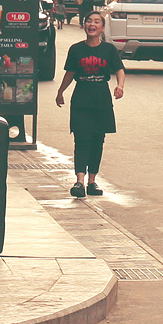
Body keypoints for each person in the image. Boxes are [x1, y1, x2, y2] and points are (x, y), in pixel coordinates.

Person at [55, 10, 126, 198]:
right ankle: (79, 181)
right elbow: (70, 73)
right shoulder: (76, 49)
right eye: (88, 21)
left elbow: (119, 69)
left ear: (102, 28)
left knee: (97, 140)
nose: (91, 24)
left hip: (101, 99)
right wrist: (61, 91)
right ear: (84, 25)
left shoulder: (109, 50)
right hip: (81, 98)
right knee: (81, 139)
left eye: (96, 22)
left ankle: (92, 181)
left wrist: (120, 85)